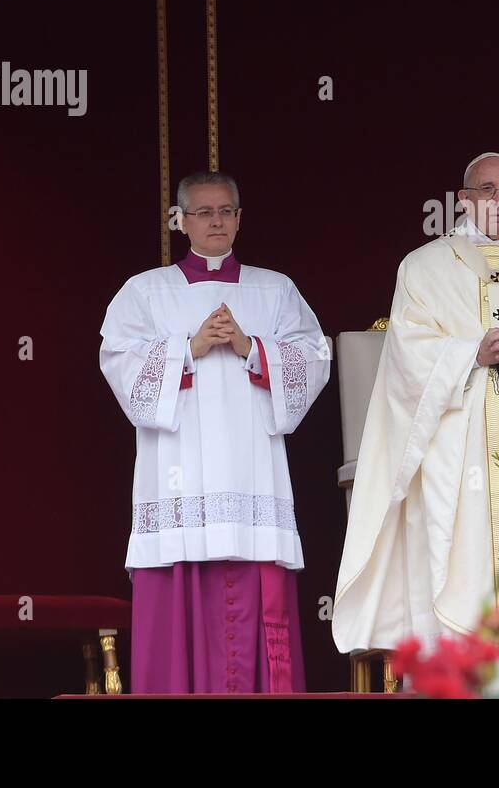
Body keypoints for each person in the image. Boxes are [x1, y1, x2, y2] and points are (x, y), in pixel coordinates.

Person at [333, 152, 499, 652]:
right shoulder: (423, 266)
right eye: (486, 189)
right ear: (464, 199)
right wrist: (470, 354)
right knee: (455, 544)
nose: (497, 200)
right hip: (455, 445)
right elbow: (407, 352)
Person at [100, 170, 329, 692]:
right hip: (179, 480)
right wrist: (190, 347)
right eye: (204, 212)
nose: (216, 221)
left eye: (226, 211)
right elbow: (120, 365)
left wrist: (252, 348)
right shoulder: (145, 292)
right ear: (180, 220)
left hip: (254, 479)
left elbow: (315, 358)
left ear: (240, 217)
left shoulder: (275, 290)